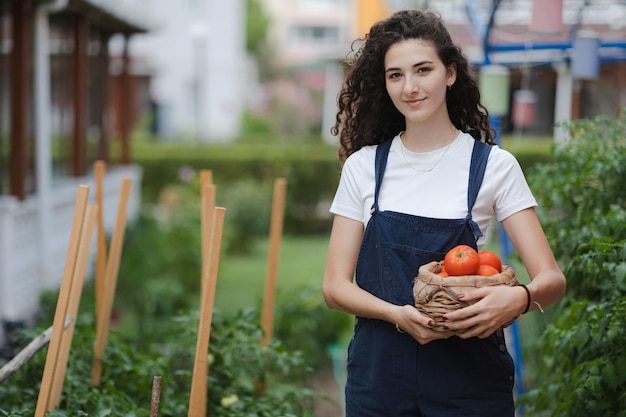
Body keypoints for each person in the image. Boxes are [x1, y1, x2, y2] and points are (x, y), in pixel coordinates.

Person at [322, 9, 566, 417]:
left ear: (450, 73)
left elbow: (552, 280)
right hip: (378, 383)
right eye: (395, 75)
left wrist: (519, 299)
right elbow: (334, 287)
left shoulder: (493, 166)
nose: (410, 87)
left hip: (469, 385)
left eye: (423, 70)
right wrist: (396, 314)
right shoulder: (364, 167)